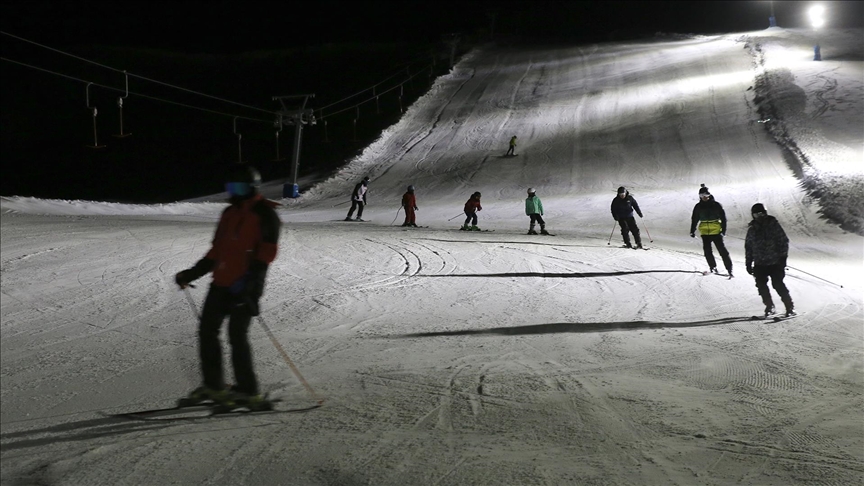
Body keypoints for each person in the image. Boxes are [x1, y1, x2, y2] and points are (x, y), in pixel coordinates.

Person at [174, 164, 281, 411]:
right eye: (231, 187)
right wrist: (192, 273)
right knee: (207, 333)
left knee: (237, 337)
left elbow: (265, 255)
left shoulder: (266, 215)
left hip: (244, 287)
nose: (235, 192)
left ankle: (248, 390)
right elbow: (217, 251)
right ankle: (214, 386)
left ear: (252, 187)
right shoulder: (228, 213)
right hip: (221, 284)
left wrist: (249, 286)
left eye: (240, 187)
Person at [745, 203, 795, 317]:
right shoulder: (752, 230)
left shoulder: (773, 225)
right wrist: (748, 263)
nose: (759, 216)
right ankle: (769, 306)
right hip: (759, 263)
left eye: (761, 213)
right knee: (761, 285)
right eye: (756, 215)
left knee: (777, 284)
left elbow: (783, 241)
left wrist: (783, 258)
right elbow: (749, 247)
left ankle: (789, 307)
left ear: (765, 213)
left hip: (775, 262)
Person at [690, 184, 733, 276]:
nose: (704, 197)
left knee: (722, 251)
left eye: (705, 195)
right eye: (701, 196)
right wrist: (692, 230)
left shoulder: (716, 205)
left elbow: (723, 218)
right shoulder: (698, 207)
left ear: (709, 195)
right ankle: (713, 267)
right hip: (705, 232)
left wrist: (723, 231)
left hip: (716, 232)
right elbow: (695, 219)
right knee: (707, 251)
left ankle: (729, 269)